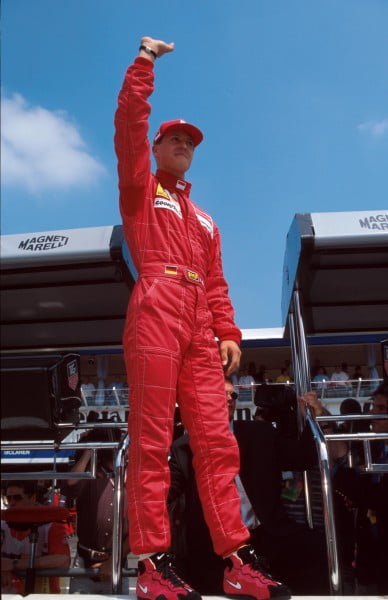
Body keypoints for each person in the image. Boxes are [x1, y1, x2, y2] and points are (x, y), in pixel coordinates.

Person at [114, 35, 289, 600]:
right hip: (156, 311)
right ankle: (149, 567)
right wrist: (144, 66)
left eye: (191, 140)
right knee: (151, 440)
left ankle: (238, 562)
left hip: (199, 327)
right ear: (158, 147)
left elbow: (216, 282)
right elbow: (127, 126)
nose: (184, 143)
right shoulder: (141, 190)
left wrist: (229, 331)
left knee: (218, 442)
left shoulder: (207, 220)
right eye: (175, 138)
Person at [169, 380, 330, 596]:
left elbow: (302, 458)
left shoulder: (260, 433)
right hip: (212, 546)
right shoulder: (185, 447)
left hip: (266, 535)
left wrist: (315, 418)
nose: (229, 399)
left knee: (318, 548)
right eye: (221, 393)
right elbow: (168, 489)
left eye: (233, 396)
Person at [332, 380, 388, 594]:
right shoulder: (372, 447)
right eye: (374, 405)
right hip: (369, 554)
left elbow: (373, 497)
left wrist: (340, 464)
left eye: (382, 409)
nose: (374, 412)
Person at [60, 427, 129, 594]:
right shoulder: (89, 477)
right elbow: (70, 485)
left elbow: (136, 529)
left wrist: (113, 560)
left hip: (116, 563)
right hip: (84, 563)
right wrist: (89, 451)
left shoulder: (130, 480)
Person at [1, 480, 70, 594]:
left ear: (32, 498)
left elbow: (62, 560)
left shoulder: (51, 526)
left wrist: (12, 565)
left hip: (43, 594)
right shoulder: (2, 526)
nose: (12, 503)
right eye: (9, 498)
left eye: (17, 498)